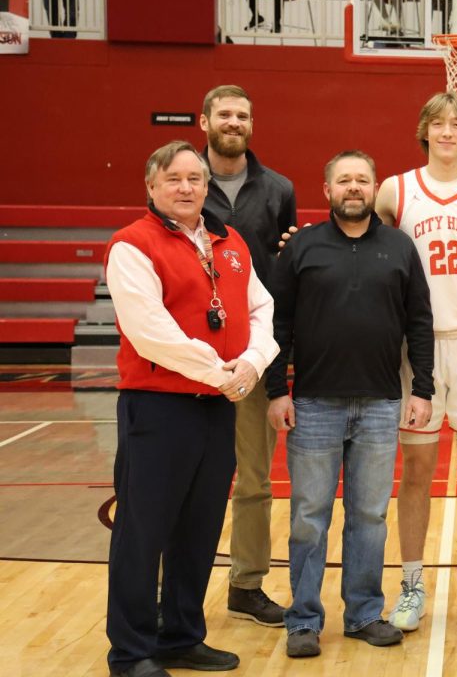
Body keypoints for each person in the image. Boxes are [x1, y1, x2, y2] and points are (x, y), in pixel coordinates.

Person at [104, 141, 279, 677]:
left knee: (199, 528)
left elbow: (262, 307)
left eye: (194, 179)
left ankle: (181, 636)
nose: (186, 188)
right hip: (158, 409)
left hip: (217, 407)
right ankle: (132, 651)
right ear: (152, 186)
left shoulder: (230, 242)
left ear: (207, 187)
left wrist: (253, 362)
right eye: (174, 179)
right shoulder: (132, 245)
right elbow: (150, 331)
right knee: (144, 531)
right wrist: (222, 372)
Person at [266, 150, 434, 658]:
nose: (354, 188)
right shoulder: (302, 248)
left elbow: (419, 323)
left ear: (374, 187)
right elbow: (277, 323)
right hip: (315, 403)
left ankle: (363, 613)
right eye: (345, 180)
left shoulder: (400, 247)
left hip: (382, 403)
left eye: (362, 180)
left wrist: (422, 388)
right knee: (309, 515)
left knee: (369, 515)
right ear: (327, 189)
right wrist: (277, 391)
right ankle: (303, 621)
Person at [375, 93, 457, 632]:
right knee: (416, 474)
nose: (447, 131)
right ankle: (410, 583)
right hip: (416, 349)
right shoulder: (394, 190)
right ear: (424, 130)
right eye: (437, 123)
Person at [196, 84, 297, 629]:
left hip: (257, 355)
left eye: (243, 115)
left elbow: (283, 272)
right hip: (193, 360)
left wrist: (277, 352)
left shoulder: (277, 188)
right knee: (188, 477)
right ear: (204, 119)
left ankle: (246, 584)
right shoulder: (185, 182)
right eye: (225, 114)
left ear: (251, 124)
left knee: (255, 479)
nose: (234, 122)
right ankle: (177, 582)